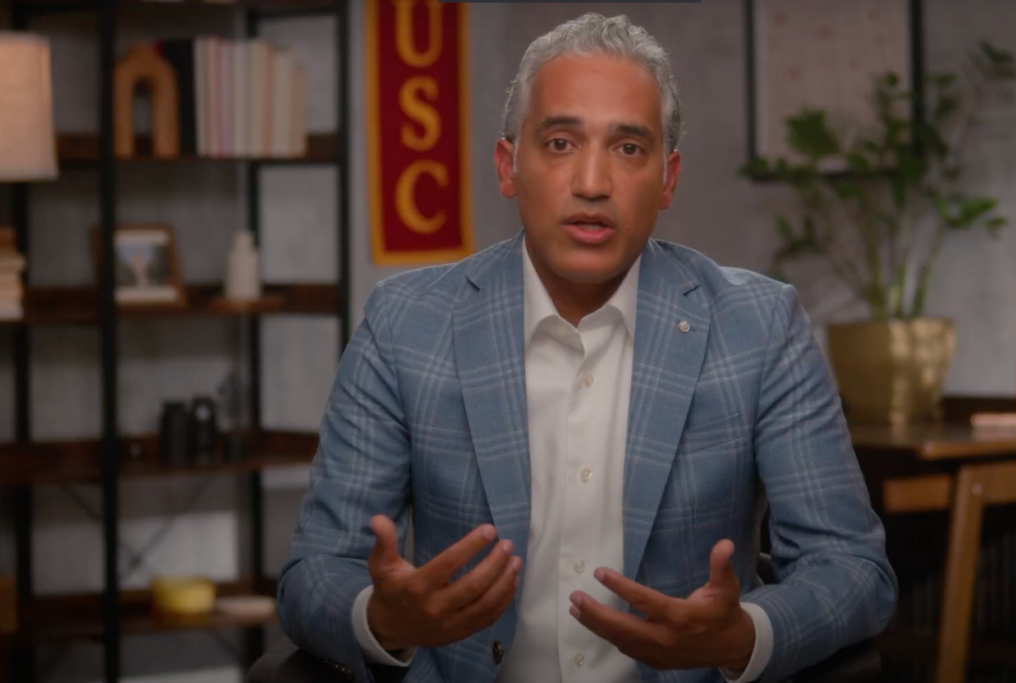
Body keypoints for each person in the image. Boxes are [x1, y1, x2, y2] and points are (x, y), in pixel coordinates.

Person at [277, 12, 897, 683]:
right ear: (509, 166)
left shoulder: (759, 327)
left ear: (668, 177)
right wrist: (386, 617)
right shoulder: (406, 325)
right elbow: (312, 574)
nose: (593, 182)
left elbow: (854, 569)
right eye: (561, 142)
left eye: (628, 148)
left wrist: (744, 634)